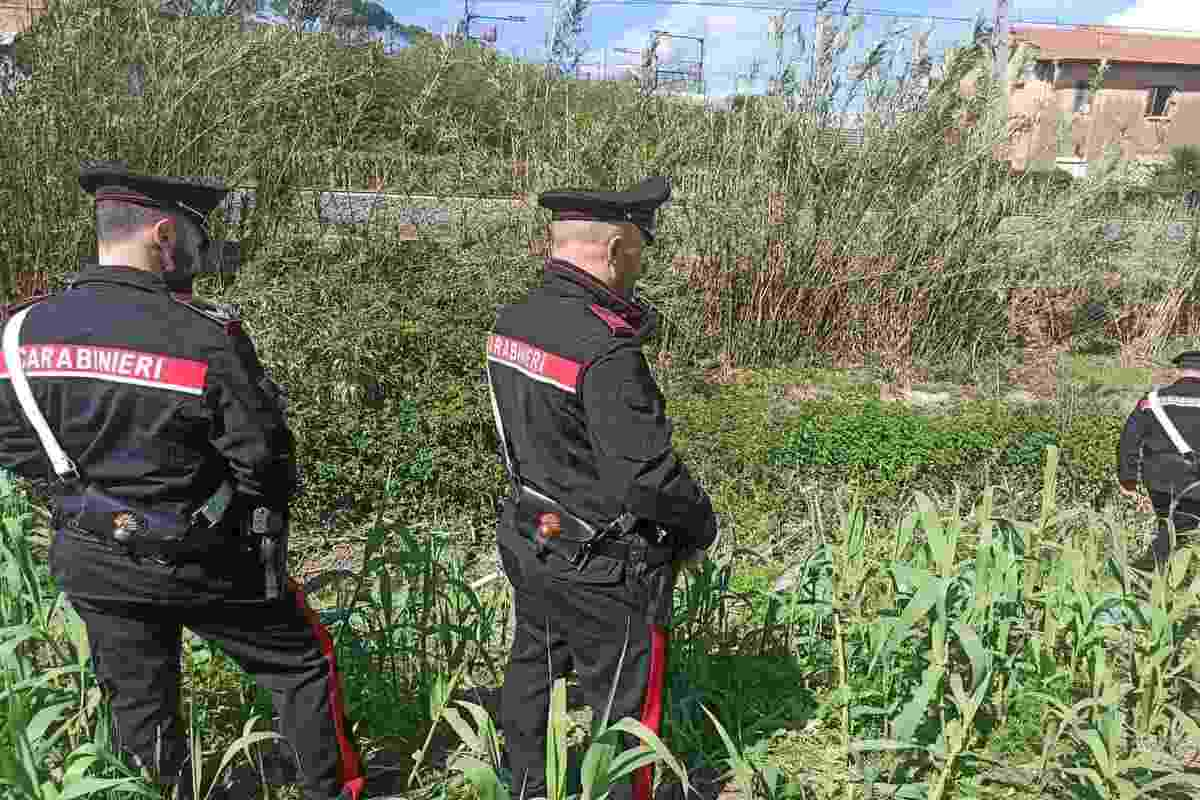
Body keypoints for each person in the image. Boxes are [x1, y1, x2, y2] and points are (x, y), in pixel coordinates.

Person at [0, 162, 364, 800]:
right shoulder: (203, 337)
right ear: (164, 235)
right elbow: (265, 458)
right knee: (301, 663)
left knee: (140, 713)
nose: (199, 255)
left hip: (92, 554)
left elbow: (11, 442)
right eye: (196, 239)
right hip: (207, 555)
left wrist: (82, 490)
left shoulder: (18, 332)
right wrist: (252, 521)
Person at [485, 176, 718, 800]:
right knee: (625, 704)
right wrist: (700, 524)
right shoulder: (605, 350)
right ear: (615, 251)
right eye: (640, 249)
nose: (641, 263)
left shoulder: (513, 323)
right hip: (601, 568)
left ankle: (527, 785)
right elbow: (647, 478)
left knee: (533, 662)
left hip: (535, 535)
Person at [1117, 350, 1200, 572]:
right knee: (1177, 531)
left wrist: (1128, 480)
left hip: (1158, 480)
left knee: (1170, 528)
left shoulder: (1152, 400)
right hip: (1194, 483)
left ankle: (1161, 581)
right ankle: (1141, 573)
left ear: (1178, 371)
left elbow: (1129, 440)